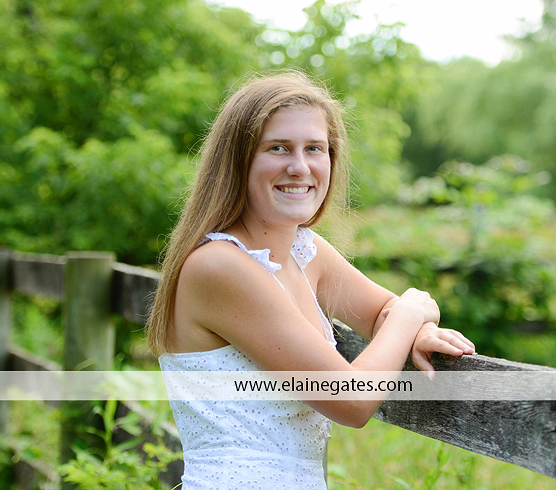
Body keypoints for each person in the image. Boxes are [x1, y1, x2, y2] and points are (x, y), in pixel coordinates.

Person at [147, 70, 475, 489]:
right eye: (278, 148)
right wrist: (410, 313)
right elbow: (350, 400)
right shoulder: (219, 267)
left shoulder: (306, 251)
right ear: (238, 160)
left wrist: (416, 328)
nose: (300, 167)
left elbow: (382, 311)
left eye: (314, 149)